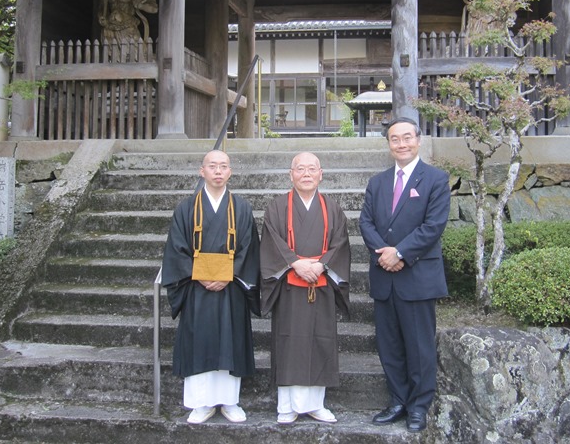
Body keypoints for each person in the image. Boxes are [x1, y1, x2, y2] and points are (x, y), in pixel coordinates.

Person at [358, 117, 451, 433]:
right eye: (395, 139)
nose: (401, 143)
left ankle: (419, 406)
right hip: (385, 276)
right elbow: (366, 223)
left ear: (418, 140)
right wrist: (384, 253)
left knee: (419, 346)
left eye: (407, 137)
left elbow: (433, 227)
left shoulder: (436, 179)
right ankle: (398, 399)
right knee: (389, 343)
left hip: (417, 276)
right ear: (388, 144)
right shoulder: (378, 182)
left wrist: (399, 253)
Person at [161, 150, 260, 425]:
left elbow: (249, 248)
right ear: (201, 171)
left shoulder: (241, 208)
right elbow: (177, 248)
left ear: (230, 172)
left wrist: (228, 274)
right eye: (212, 166)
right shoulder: (186, 208)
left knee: (231, 340)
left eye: (223, 166)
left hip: (231, 289)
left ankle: (230, 401)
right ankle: (200, 403)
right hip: (196, 288)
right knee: (199, 340)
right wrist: (199, 274)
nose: (218, 171)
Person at [259, 152, 351, 425]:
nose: (306, 173)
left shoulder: (332, 208)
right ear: (291, 174)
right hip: (289, 287)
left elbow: (340, 244)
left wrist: (322, 266)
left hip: (320, 286)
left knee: (320, 341)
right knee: (289, 342)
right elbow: (272, 242)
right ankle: (286, 405)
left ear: (321, 174)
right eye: (300, 169)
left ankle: (315, 404)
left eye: (312, 169)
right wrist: (295, 263)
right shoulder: (276, 207)